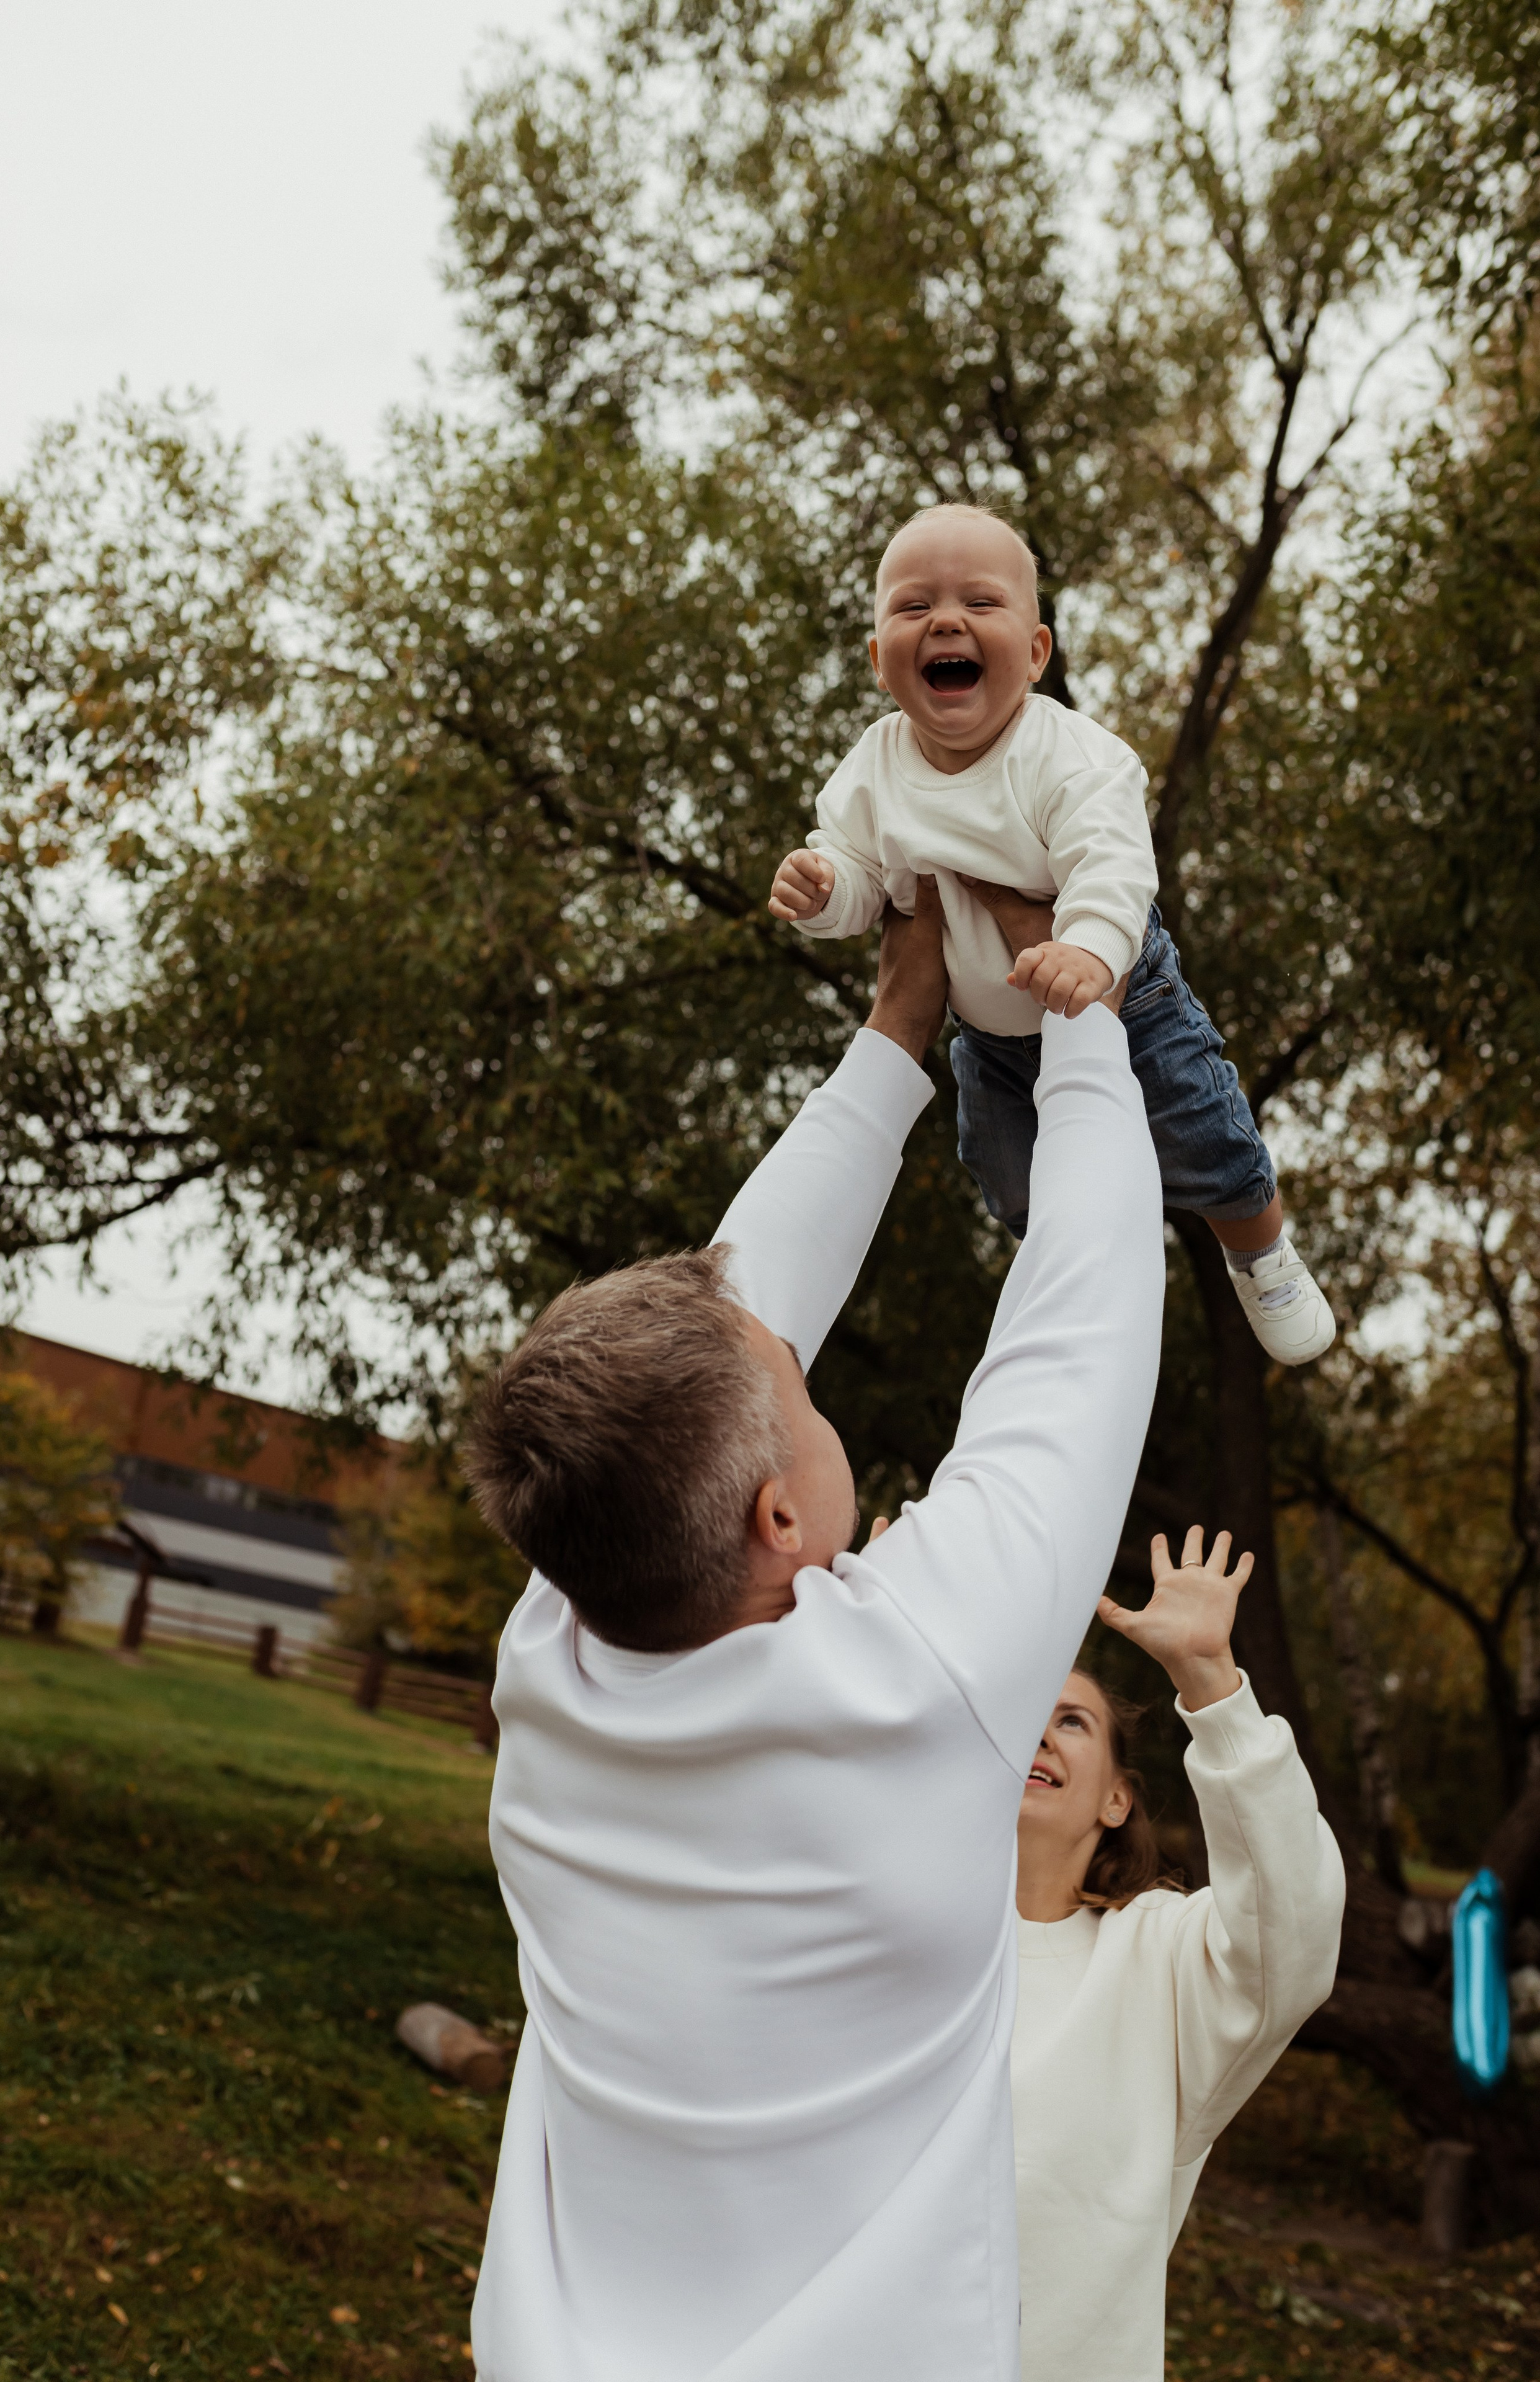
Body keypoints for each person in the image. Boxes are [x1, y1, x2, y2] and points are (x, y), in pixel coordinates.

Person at [464, 881, 1164, 2380]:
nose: (791, 1343)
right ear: (777, 1519)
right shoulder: (916, 1680)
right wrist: (1082, 1015)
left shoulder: (570, 1616)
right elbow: (1083, 1323)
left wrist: (897, 1028)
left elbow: (737, 1312)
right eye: (791, 1375)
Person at [767, 503, 1335, 1367]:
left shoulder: (1069, 754)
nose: (946, 620)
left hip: (1126, 999)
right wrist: (822, 891)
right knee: (1010, 1175)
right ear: (882, 662)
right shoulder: (873, 770)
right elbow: (862, 880)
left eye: (980, 604)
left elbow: (1113, 868)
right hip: (991, 1038)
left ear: (1036, 653)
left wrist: (1089, 950)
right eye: (914, 607)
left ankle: (1260, 1253)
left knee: (1205, 1136)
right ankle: (1069, 1260)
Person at [1011, 1525, 1345, 2381]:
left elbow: (1292, 1938)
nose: (1041, 1735)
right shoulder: (899, 1937)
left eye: (1073, 1722)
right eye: (1025, 1717)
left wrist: (1210, 1684)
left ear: (1117, 1800)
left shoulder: (1154, 1959)